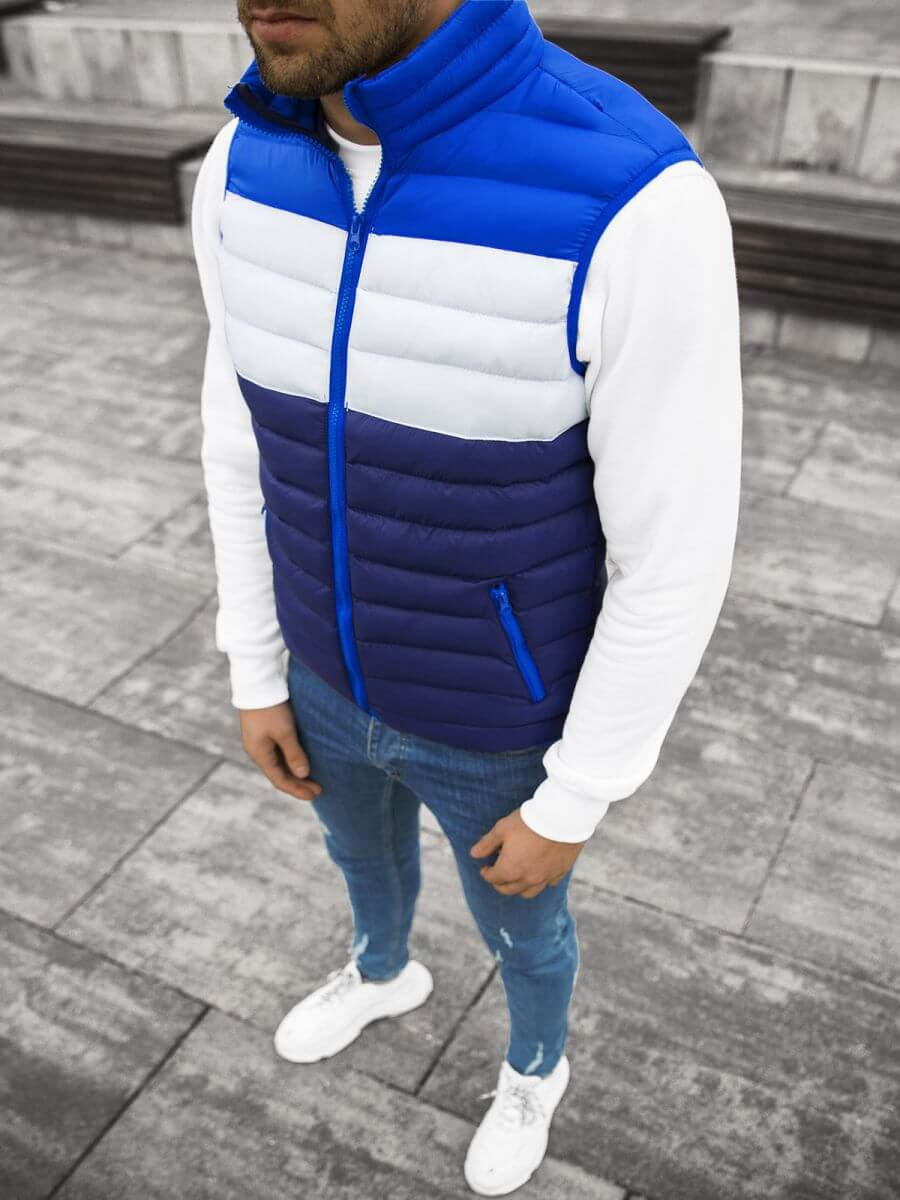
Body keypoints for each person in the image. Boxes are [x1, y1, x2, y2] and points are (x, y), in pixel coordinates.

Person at [191, 0, 742, 1193]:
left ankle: (536, 1066)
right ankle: (383, 971)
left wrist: (578, 794)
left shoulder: (636, 198)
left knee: (524, 931)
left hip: (498, 721)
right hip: (319, 676)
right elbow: (239, 433)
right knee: (360, 861)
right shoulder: (242, 160)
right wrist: (256, 665)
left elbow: (677, 551)